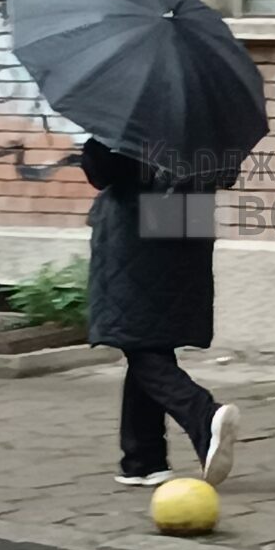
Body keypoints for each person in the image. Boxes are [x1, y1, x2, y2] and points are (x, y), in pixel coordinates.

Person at [80, 137, 241, 487]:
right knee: (148, 340)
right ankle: (143, 459)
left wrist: (94, 144)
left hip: (136, 228)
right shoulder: (206, 117)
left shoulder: (130, 120)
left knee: (138, 341)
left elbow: (104, 172)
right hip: (187, 221)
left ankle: (204, 415)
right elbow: (227, 172)